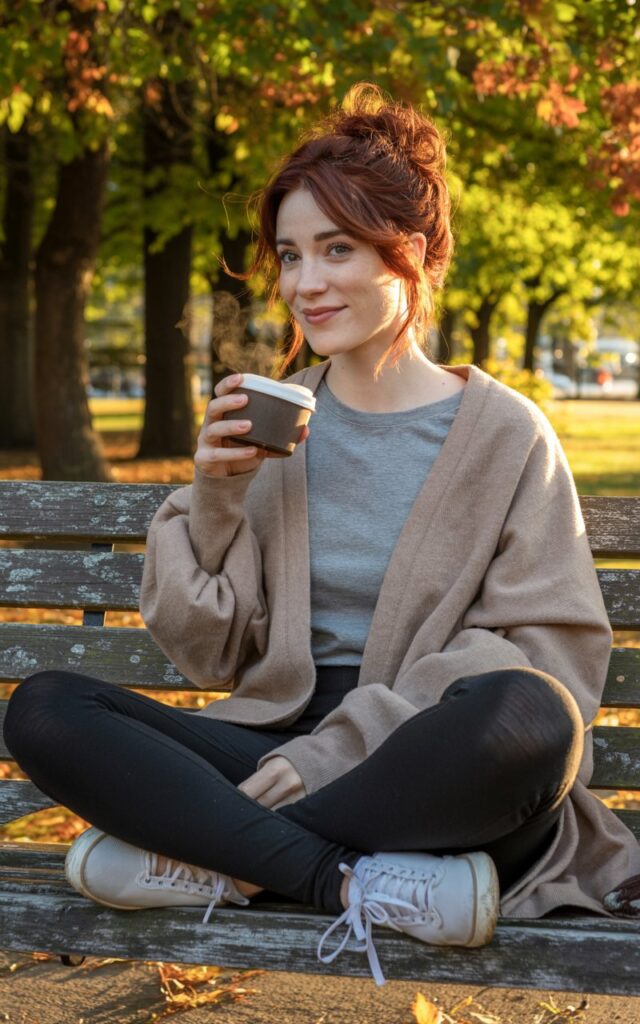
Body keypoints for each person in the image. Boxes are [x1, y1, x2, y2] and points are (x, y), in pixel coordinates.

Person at [4, 84, 640, 986]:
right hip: (275, 738)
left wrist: (337, 747)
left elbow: (552, 659)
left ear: (409, 256)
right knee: (47, 707)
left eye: (337, 250)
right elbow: (209, 653)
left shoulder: (507, 435)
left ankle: (213, 859)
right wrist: (216, 497)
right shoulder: (279, 427)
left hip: (424, 757)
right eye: (292, 254)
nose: (304, 284)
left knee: (528, 716)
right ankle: (347, 880)